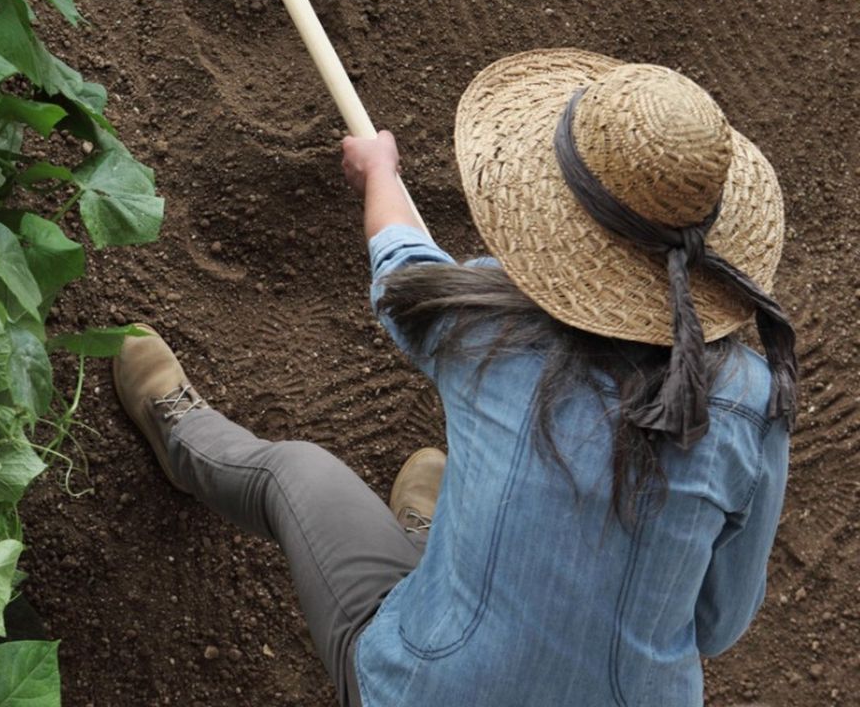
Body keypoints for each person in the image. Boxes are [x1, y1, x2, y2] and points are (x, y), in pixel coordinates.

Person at [113, 49, 795, 706]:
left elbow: (401, 270)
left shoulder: (488, 330)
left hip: (430, 691)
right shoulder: (753, 403)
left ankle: (181, 432)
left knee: (294, 472)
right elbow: (717, 623)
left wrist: (380, 174)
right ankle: (425, 539)